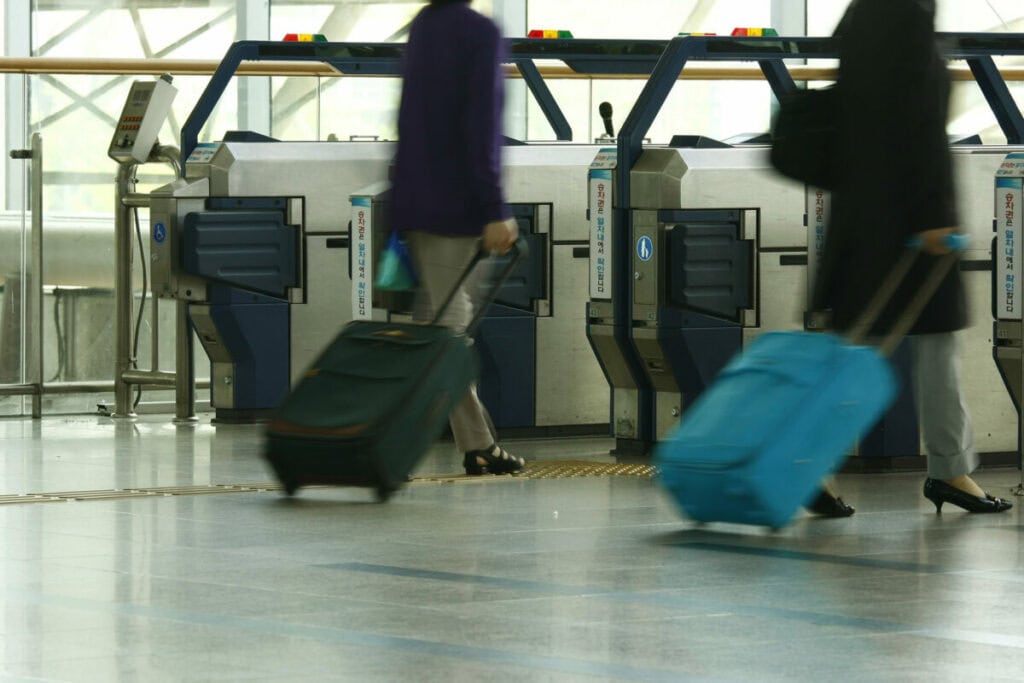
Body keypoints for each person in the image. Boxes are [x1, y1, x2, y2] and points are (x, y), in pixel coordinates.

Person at [809, 0, 1011, 516]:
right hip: (912, 230)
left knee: (856, 356)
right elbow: (920, 134)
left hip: (860, 224)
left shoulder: (861, 22)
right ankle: (950, 471)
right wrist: (936, 216)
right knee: (937, 353)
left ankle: (812, 464)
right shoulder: (909, 24)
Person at [389, 0, 524, 476]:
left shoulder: (425, 26)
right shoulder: (478, 32)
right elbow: (480, 127)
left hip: (416, 202)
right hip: (456, 207)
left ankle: (475, 443)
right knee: (448, 334)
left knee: (439, 328)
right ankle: (392, 434)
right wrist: (495, 210)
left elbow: (408, 119)